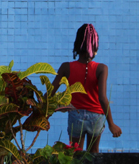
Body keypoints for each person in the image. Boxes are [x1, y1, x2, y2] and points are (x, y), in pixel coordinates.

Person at [51, 24, 122, 153]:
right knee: (93, 153)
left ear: (77, 44)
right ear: (94, 45)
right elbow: (102, 98)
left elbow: (50, 92)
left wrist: (40, 110)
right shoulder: (102, 68)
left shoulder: (65, 67)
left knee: (74, 153)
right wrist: (111, 124)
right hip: (96, 117)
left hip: (75, 115)